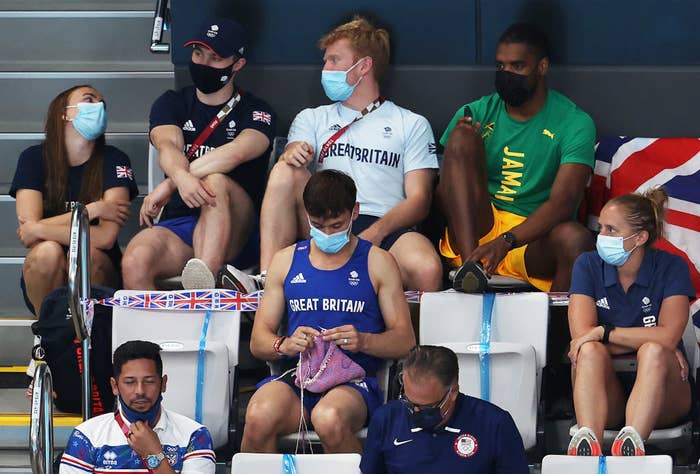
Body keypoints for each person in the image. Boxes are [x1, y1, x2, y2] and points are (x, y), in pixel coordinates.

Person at [222, 16, 441, 293]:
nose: (326, 68)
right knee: (285, 168)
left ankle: (407, 336)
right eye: (325, 61)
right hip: (322, 220)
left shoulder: (410, 123)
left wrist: (375, 233)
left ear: (364, 66)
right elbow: (293, 154)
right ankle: (267, 281)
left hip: (383, 223)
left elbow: (420, 200)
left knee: (427, 268)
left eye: (334, 60)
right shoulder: (313, 118)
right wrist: (293, 153)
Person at [241, 170, 415, 453]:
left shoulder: (378, 262)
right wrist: (284, 344)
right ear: (307, 214)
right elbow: (258, 342)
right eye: (318, 225)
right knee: (258, 415)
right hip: (298, 377)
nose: (327, 234)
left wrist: (365, 340)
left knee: (328, 418)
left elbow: (405, 341)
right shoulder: (285, 260)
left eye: (336, 225)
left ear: (355, 212)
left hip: (352, 382)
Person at [437, 22, 596, 293]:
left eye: (517, 66)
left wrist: (507, 240)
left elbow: (564, 203)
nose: (507, 73)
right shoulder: (475, 112)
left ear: (542, 67)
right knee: (462, 136)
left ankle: (558, 333)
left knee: (576, 239)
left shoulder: (574, 121)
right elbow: (443, 192)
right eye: (501, 67)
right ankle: (471, 270)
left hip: (531, 241)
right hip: (476, 231)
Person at [121, 17, 275, 290]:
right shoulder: (172, 102)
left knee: (214, 181)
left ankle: (202, 287)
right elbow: (167, 146)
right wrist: (181, 178)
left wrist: (171, 182)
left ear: (237, 64)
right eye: (198, 53)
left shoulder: (255, 110)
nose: (203, 63)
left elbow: (237, 152)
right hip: (182, 222)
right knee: (136, 259)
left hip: (236, 226)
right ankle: (157, 333)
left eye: (214, 58)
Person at [566, 189, 695, 456]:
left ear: (640, 237)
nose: (602, 236)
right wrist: (647, 337)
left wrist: (605, 332)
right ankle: (587, 443)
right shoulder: (587, 265)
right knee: (589, 351)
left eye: (611, 230)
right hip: (607, 394)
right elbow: (581, 339)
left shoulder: (672, 266)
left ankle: (631, 446)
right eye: (600, 228)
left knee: (654, 351)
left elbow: (668, 338)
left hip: (666, 396)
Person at [11, 85, 138, 318]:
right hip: (46, 273)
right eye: (89, 100)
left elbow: (105, 238)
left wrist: (40, 227)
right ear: (64, 113)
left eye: (102, 104)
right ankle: (46, 334)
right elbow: (29, 238)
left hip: (100, 268)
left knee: (87, 254)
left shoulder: (114, 159)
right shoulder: (33, 159)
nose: (98, 107)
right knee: (47, 252)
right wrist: (91, 210)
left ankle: (92, 337)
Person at [361, 345, 529, 473]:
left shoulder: (495, 424)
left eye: (427, 406)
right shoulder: (386, 419)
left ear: (453, 392)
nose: (416, 411)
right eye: (409, 402)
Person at [60, 340, 215, 473]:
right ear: (114, 386)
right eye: (130, 382)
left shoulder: (194, 435)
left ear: (163, 384)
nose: (140, 390)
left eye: (149, 381)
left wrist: (154, 454)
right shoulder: (87, 436)